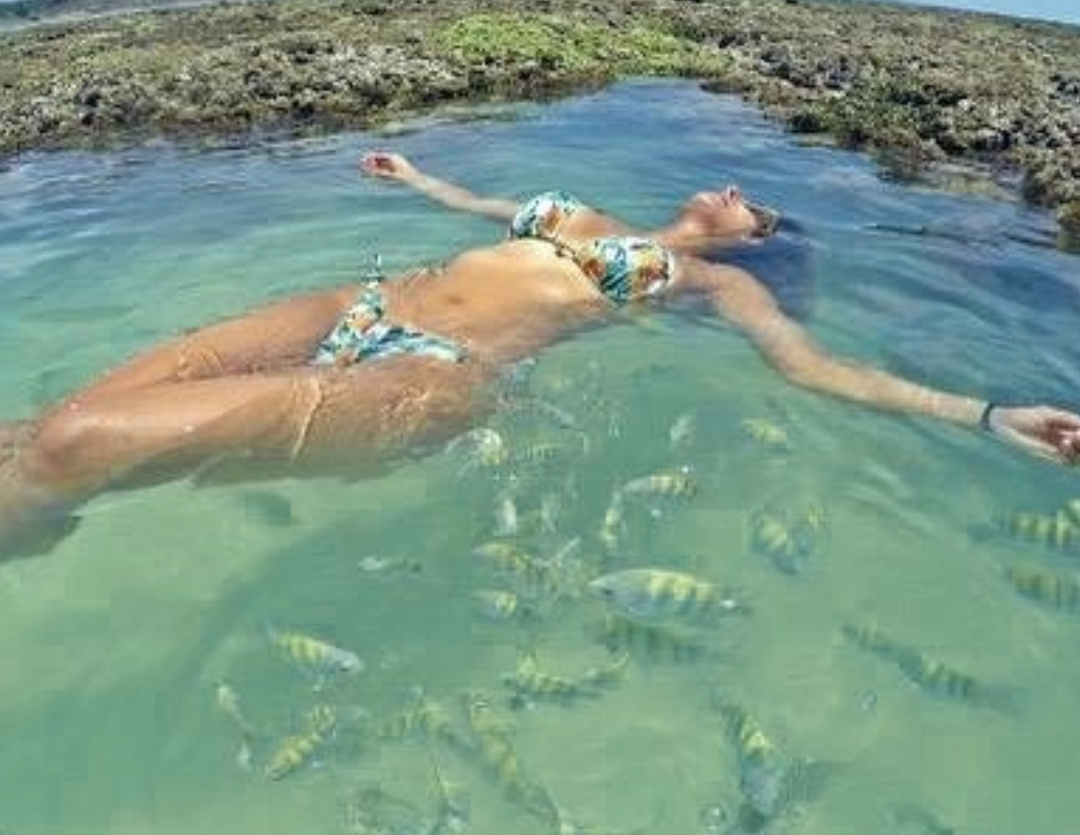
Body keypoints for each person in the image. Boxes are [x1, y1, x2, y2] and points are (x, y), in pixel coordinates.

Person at [1, 151, 1078, 560]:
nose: (735, 190)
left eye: (757, 202)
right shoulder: (583, 206)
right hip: (358, 301)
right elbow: (486, 207)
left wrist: (984, 416)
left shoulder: (715, 283)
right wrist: (415, 179)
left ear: (757, 237)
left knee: (74, 442)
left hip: (428, 374)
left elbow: (811, 372)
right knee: (35, 438)